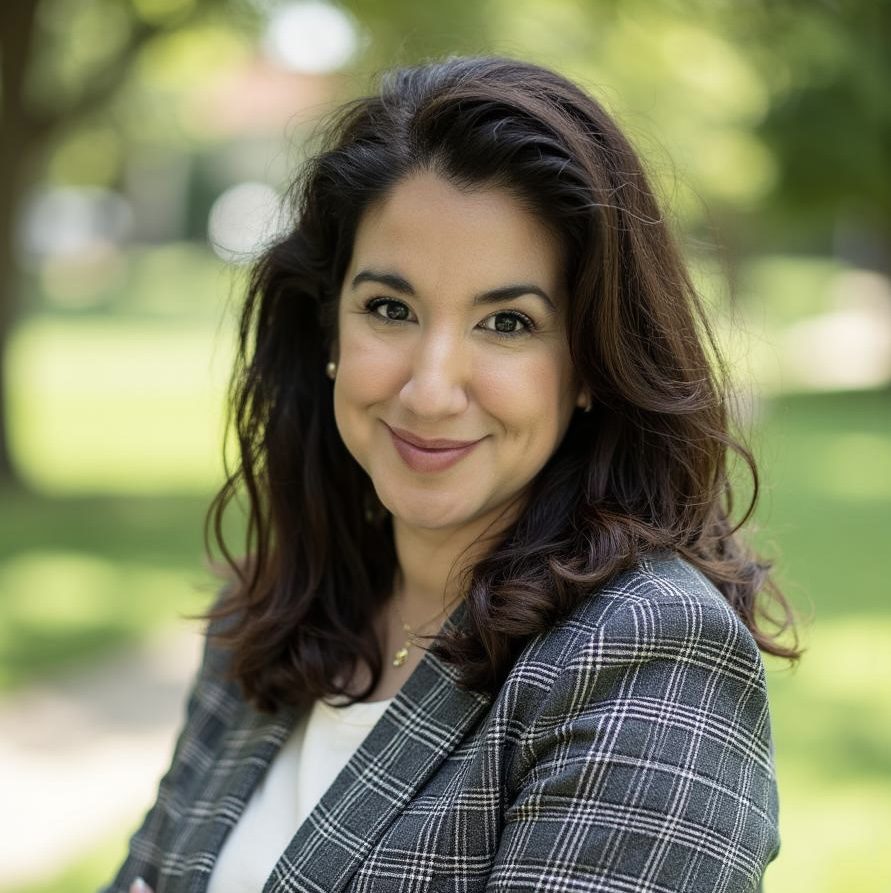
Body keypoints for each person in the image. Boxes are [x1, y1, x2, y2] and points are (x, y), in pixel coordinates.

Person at [104, 55, 798, 893]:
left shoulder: (648, 653)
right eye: (389, 309)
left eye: (506, 322)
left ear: (588, 366)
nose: (430, 390)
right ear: (329, 330)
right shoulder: (270, 617)